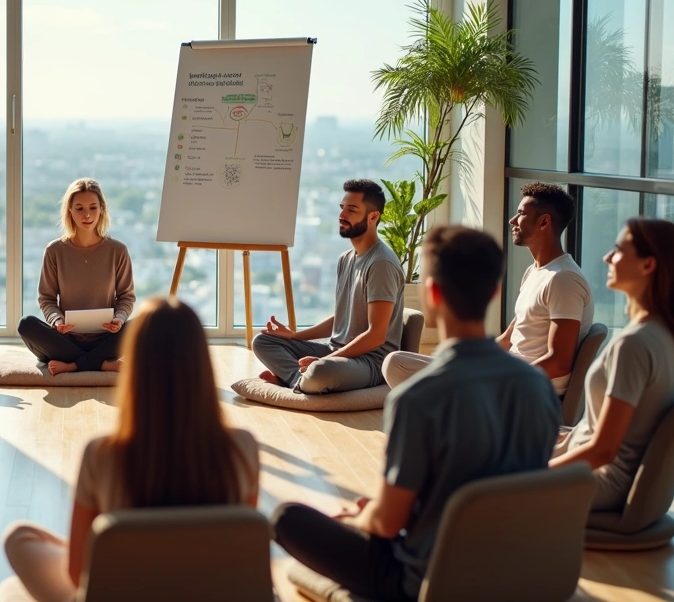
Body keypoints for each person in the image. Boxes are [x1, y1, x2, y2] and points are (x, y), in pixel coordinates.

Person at [272, 226, 560, 601]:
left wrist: (362, 518)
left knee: (286, 518)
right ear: (493, 291)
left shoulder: (417, 399)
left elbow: (388, 523)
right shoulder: (538, 387)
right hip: (517, 568)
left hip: (429, 580)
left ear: (432, 294)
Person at [3, 297, 259, 602]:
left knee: (20, 538)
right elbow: (244, 547)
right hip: (211, 592)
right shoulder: (243, 447)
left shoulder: (101, 454)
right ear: (201, 362)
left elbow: (77, 575)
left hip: (118, 593)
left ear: (135, 363)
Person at [551, 218, 674, 510]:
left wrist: (537, 473)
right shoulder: (667, 333)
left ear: (647, 265)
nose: (607, 257)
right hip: (591, 466)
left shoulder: (634, 344)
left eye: (618, 250)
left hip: (598, 481)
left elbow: (603, 451)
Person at [383, 182, 592, 394]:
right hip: (504, 372)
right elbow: (509, 338)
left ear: (544, 222)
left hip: (523, 388)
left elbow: (559, 363)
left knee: (400, 366)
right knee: (400, 362)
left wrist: (496, 373)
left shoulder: (564, 279)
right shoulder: (535, 272)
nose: (512, 220)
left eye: (521, 213)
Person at [253, 179, 405, 393]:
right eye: (342, 208)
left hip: (370, 362)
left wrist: (323, 361)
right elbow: (341, 317)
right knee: (263, 341)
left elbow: (376, 336)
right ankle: (300, 380)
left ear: (373, 216)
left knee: (322, 372)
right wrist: (295, 336)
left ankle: (296, 379)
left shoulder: (381, 263)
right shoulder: (346, 258)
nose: (342, 215)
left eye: (352, 209)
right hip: (336, 350)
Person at [18, 178, 134, 375]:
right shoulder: (54, 251)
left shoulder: (118, 250)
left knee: (145, 325)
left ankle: (74, 364)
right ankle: (100, 363)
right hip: (66, 339)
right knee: (26, 324)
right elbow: (46, 298)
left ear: (102, 209)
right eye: (79, 208)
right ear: (69, 210)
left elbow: (126, 296)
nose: (87, 214)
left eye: (93, 207)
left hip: (106, 338)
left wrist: (119, 319)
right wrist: (57, 321)